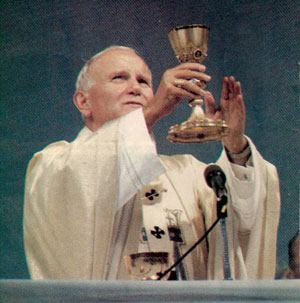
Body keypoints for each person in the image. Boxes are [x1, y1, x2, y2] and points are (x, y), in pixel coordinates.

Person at [23, 45, 281, 280]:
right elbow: (87, 173)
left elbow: (242, 226)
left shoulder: (187, 173)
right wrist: (153, 110)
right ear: (84, 101)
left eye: (144, 81)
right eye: (119, 78)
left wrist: (234, 145)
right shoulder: (54, 165)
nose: (135, 87)